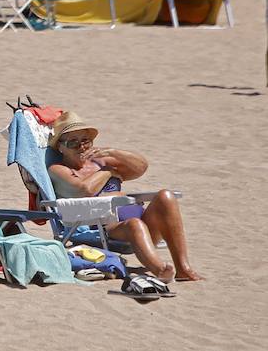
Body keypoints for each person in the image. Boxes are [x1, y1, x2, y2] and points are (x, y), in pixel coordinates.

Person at [47, 112, 202, 282]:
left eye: (85, 141)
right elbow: (85, 190)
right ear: (61, 147)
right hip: (104, 227)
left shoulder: (101, 161)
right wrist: (109, 172)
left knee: (166, 196)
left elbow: (141, 167)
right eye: (73, 142)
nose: (82, 147)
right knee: (135, 225)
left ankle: (183, 268)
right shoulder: (58, 169)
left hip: (141, 223)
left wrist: (114, 152)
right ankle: (159, 270)